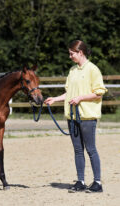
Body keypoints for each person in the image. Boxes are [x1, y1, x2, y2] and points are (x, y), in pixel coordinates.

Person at [44, 40, 107, 193]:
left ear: (80, 52)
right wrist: (55, 99)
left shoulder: (93, 70)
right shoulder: (72, 70)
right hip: (72, 116)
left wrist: (80, 98)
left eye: (72, 53)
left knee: (91, 149)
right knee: (78, 150)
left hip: (87, 116)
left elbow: (98, 92)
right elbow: (69, 93)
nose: (70, 56)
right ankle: (80, 181)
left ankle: (97, 182)